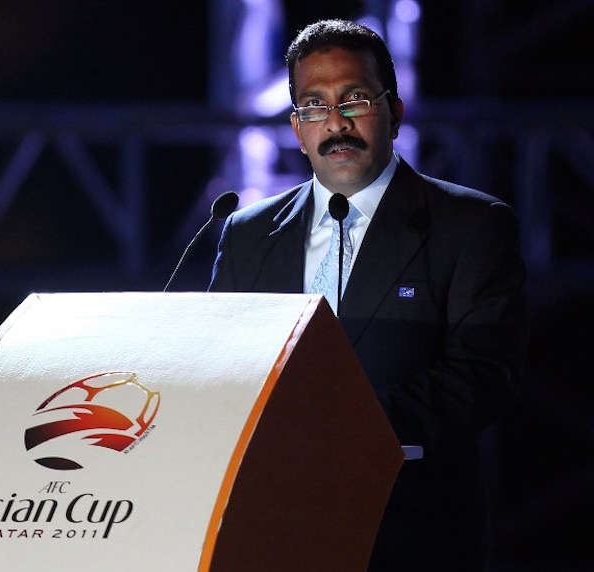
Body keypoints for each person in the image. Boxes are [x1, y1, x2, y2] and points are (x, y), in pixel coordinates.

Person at [209, 19, 528, 571]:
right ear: (295, 127)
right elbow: (215, 365)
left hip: (411, 535)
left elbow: (483, 375)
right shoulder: (247, 235)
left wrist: (341, 431)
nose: (335, 123)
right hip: (270, 534)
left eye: (354, 99)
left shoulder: (471, 224)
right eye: (314, 105)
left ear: (395, 112)